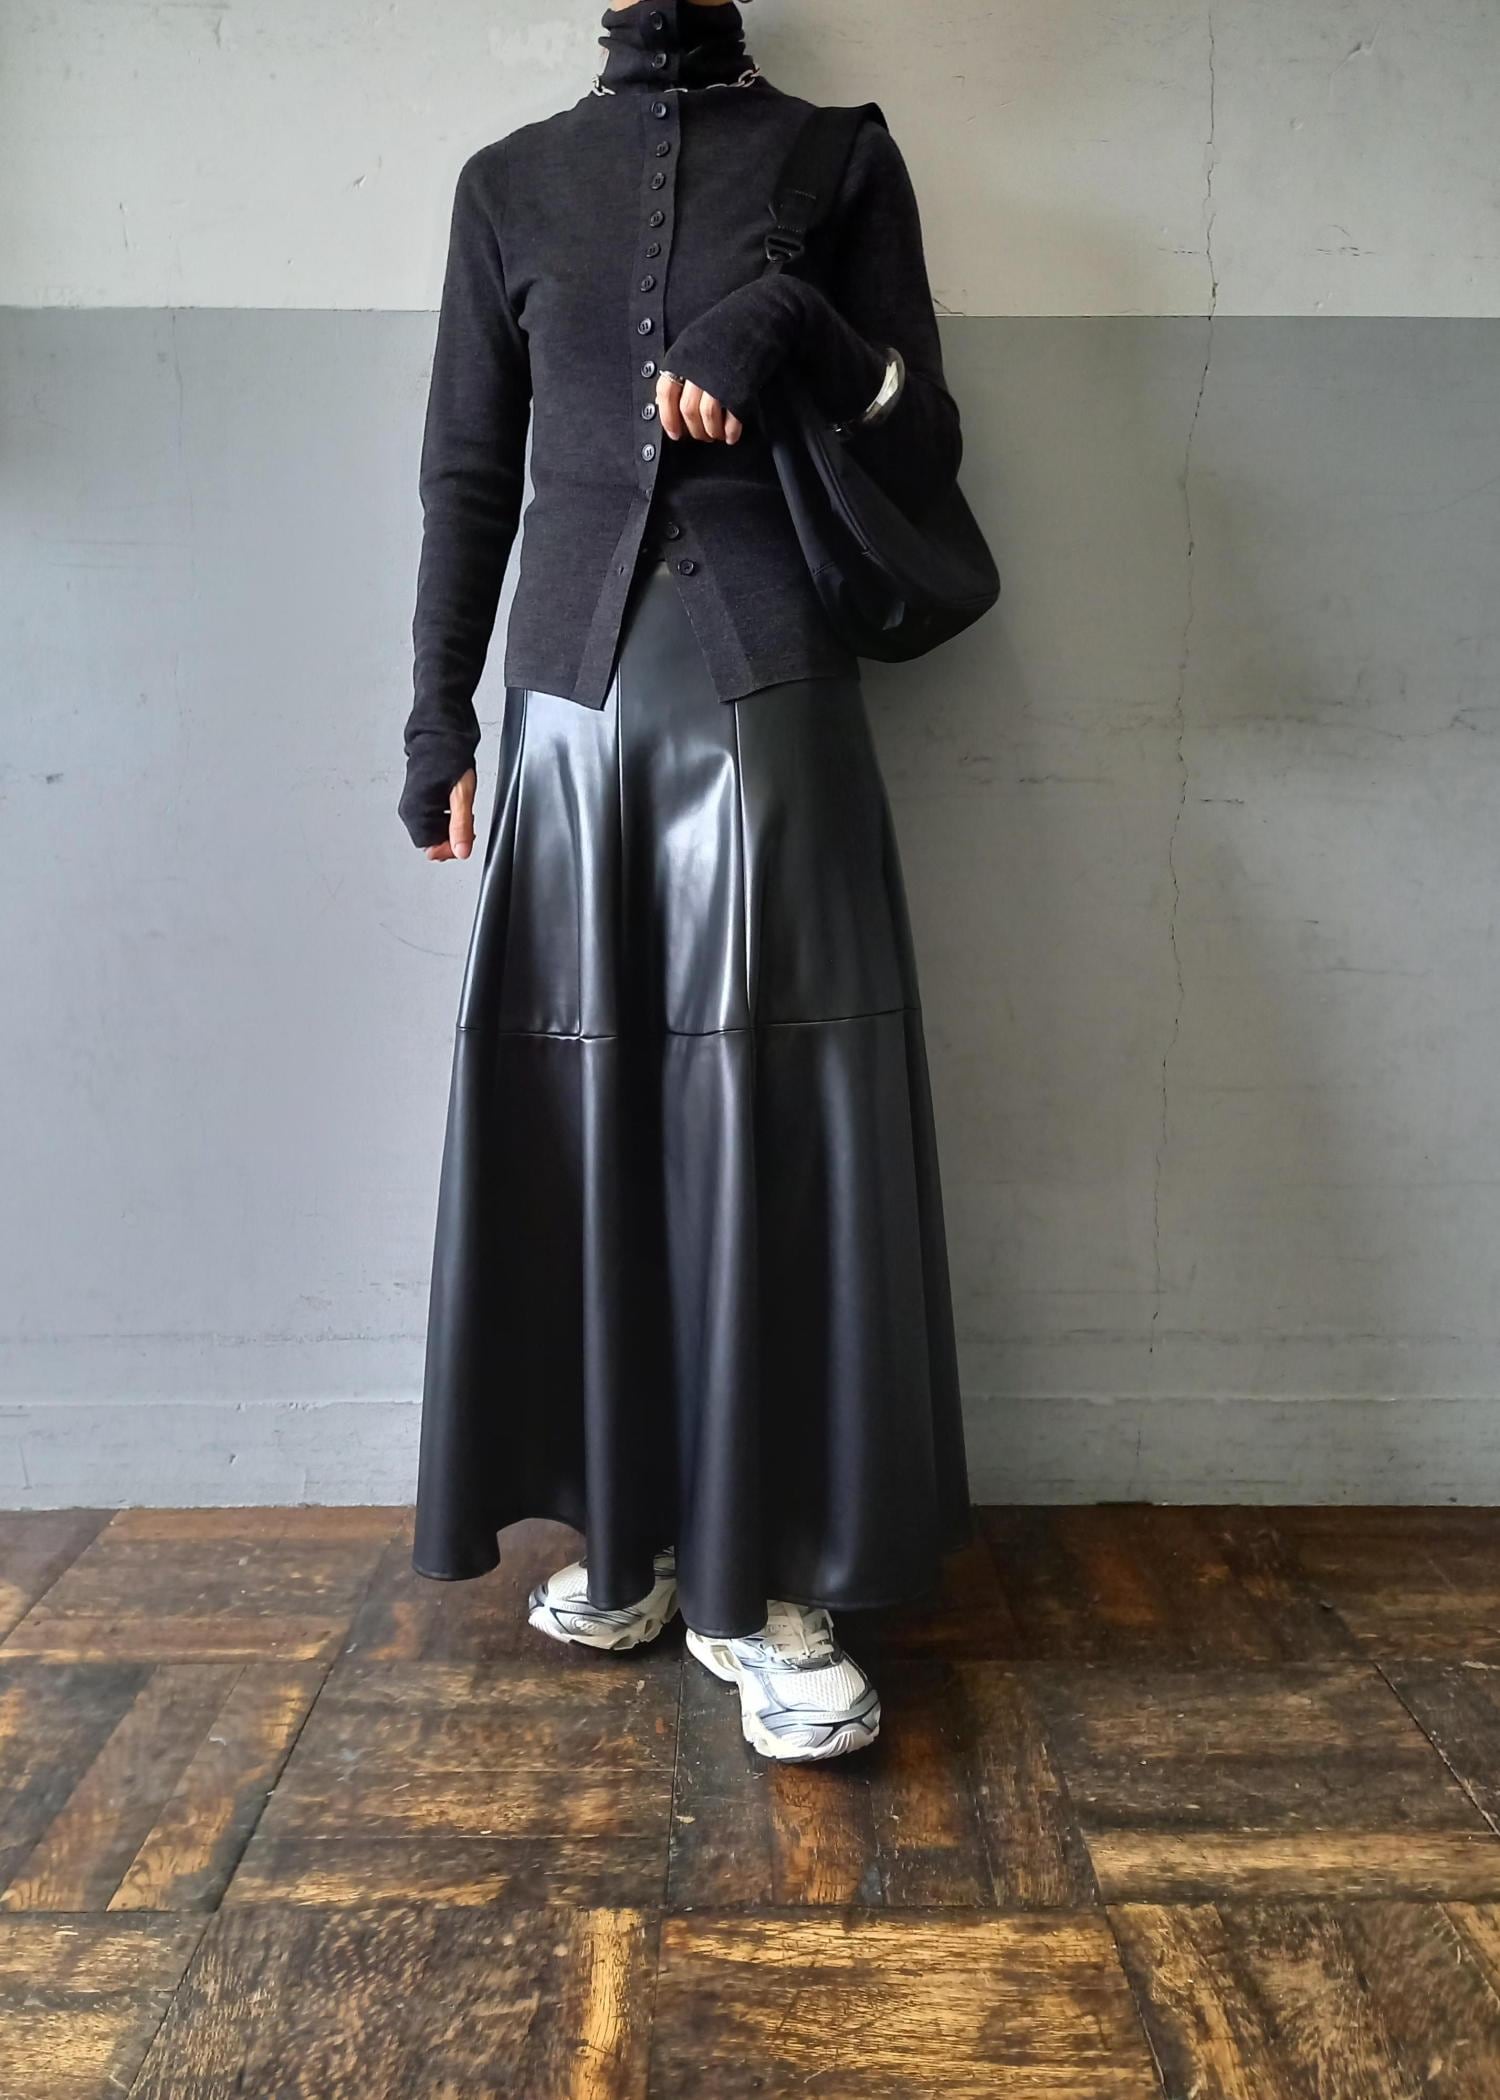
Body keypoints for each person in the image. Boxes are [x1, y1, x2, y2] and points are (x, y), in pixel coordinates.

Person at [398, 0, 975, 1763]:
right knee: (591, 1130)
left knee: (770, 1126)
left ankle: (772, 1579)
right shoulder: (508, 184)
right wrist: (436, 720)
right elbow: (468, 473)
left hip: (768, 688)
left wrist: (788, 315)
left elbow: (922, 437)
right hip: (566, 711)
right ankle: (640, 1530)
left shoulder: (837, 161)